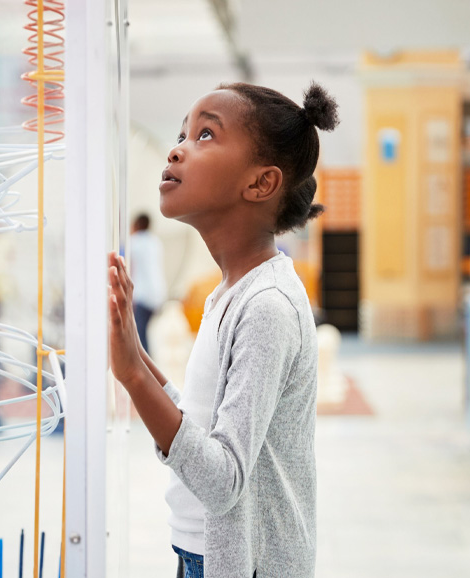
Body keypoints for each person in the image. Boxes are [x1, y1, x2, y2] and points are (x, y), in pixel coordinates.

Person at [107, 81, 338, 578]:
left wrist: (132, 376)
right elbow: (202, 423)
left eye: (205, 134)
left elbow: (223, 480)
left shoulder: (267, 308)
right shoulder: (233, 292)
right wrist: (134, 350)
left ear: (260, 184)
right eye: (182, 133)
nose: (178, 148)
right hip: (206, 555)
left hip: (241, 564)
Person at [130, 213, 166, 352]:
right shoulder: (155, 241)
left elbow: (129, 267)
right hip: (158, 293)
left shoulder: (134, 242)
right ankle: (148, 362)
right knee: (145, 333)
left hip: (142, 295)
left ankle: (145, 366)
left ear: (136, 225)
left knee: (140, 335)